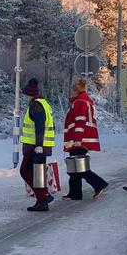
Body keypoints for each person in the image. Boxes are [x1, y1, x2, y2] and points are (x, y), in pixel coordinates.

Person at [61, 78, 108, 200]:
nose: (71, 93)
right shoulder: (85, 101)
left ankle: (99, 184)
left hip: (79, 140)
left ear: (76, 91)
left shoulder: (80, 102)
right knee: (74, 168)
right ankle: (75, 193)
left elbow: (80, 122)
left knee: (79, 168)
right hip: (80, 140)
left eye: (73, 91)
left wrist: (77, 140)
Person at [19, 77, 55, 212]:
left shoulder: (36, 105)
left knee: (27, 171)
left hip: (36, 147)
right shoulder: (43, 103)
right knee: (35, 173)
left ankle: (43, 197)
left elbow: (40, 126)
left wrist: (39, 145)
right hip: (38, 146)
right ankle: (43, 199)